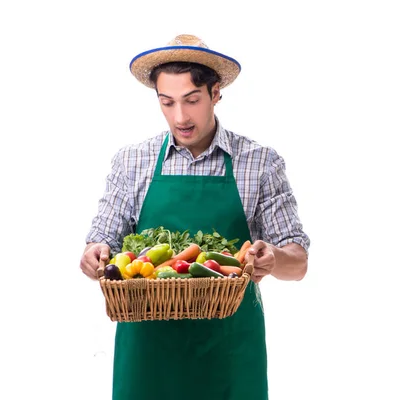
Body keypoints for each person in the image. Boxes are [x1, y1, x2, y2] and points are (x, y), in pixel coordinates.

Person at [80, 34, 310, 400]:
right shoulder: (132, 162)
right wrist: (94, 254)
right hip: (147, 358)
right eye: (167, 102)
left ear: (216, 93)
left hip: (230, 356)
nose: (180, 117)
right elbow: (101, 239)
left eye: (192, 100)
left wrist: (274, 258)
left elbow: (297, 264)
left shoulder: (260, 163)